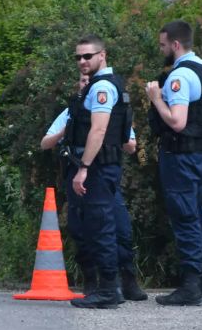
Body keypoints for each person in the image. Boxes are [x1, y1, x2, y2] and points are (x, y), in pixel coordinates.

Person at [41, 73, 147, 302]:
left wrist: (107, 134)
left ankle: (127, 282)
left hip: (103, 173)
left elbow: (132, 146)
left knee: (121, 230)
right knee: (82, 230)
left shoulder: (110, 108)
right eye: (82, 80)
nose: (86, 84)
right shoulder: (72, 112)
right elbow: (45, 142)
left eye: (89, 80)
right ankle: (93, 282)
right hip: (78, 176)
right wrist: (68, 129)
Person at [146, 20, 202, 306]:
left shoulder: (181, 76)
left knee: (185, 218)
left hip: (180, 156)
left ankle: (190, 286)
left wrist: (156, 99)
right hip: (201, 154)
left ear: (175, 44)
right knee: (199, 216)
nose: (161, 49)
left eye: (163, 45)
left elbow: (176, 122)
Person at [59, 35, 130, 309]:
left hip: (98, 167)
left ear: (103, 55)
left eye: (87, 56)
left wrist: (83, 168)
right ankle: (108, 288)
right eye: (78, 57)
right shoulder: (103, 85)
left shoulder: (102, 88)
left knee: (101, 228)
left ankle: (109, 290)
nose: (82, 61)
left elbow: (98, 130)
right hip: (102, 166)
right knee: (99, 226)